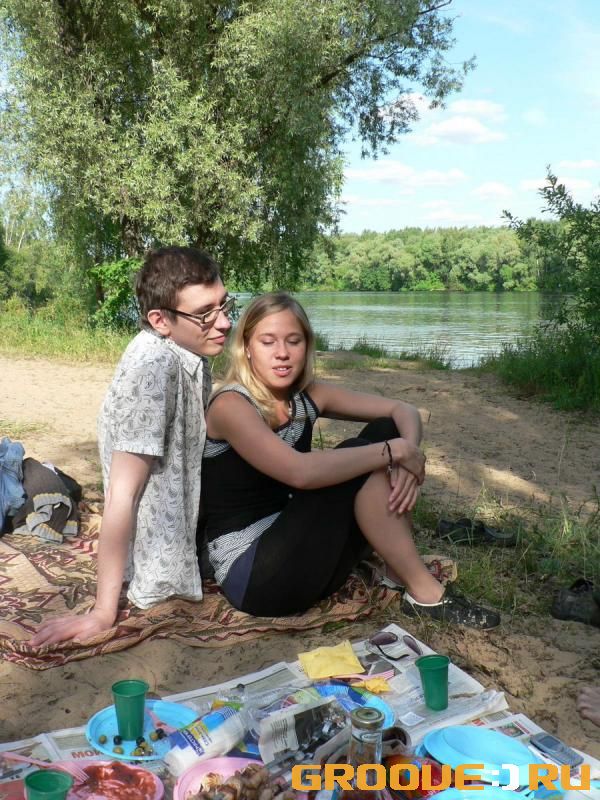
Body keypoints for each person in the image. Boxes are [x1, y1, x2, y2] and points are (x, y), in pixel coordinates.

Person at [200, 292, 500, 629]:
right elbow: (300, 473)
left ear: (306, 346)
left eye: (294, 341)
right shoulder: (231, 405)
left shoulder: (306, 395)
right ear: (246, 347)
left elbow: (403, 410)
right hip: (256, 578)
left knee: (386, 430)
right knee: (365, 453)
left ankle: (396, 571)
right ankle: (426, 594)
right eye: (268, 342)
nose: (282, 353)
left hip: (304, 555)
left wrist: (408, 456)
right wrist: (393, 452)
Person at [30, 246, 234, 646]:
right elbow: (122, 494)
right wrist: (103, 613)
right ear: (160, 320)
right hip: (163, 554)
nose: (224, 322)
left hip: (190, 523)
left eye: (224, 305)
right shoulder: (153, 367)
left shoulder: (187, 352)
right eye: (205, 314)